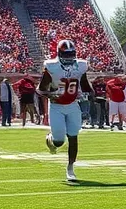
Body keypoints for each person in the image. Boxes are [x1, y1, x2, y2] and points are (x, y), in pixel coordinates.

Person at [39, 39, 93, 183]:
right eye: (66, 54)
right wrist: (51, 95)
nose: (69, 57)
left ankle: (70, 169)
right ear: (59, 53)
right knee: (58, 141)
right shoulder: (52, 67)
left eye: (71, 54)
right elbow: (41, 89)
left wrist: (91, 93)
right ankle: (50, 139)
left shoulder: (80, 66)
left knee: (73, 137)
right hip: (56, 106)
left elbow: (84, 83)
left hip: (73, 105)